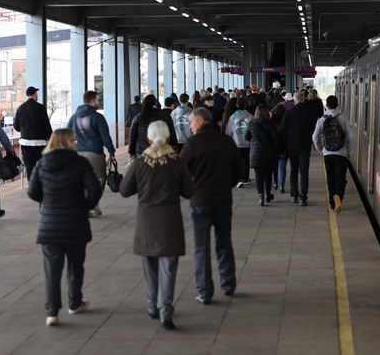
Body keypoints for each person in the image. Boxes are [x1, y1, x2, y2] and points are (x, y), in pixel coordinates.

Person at [120, 121, 193, 331]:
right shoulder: (177, 162)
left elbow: (125, 190)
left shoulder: (141, 162)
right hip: (170, 221)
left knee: (149, 267)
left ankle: (152, 305)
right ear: (168, 138)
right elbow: (189, 191)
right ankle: (165, 311)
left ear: (150, 139)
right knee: (168, 268)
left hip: (147, 222)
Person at [27, 129, 102, 326]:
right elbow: (95, 189)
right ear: (68, 142)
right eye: (74, 139)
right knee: (76, 267)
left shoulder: (41, 163)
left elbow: (32, 191)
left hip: (49, 225)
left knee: (52, 270)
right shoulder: (80, 162)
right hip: (75, 223)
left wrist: (47, 202)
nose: (76, 142)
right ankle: (74, 303)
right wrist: (85, 206)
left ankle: (52, 312)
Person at [180, 108, 242, 304]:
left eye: (191, 122)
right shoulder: (226, 141)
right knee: (224, 242)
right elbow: (239, 172)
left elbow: (181, 172)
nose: (189, 126)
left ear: (200, 121)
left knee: (200, 248)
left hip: (199, 202)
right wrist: (226, 185)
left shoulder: (192, 144)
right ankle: (228, 284)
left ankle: (204, 291)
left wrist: (191, 189)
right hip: (223, 200)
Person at [67, 90, 115, 217]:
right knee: (99, 179)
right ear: (93, 101)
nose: (98, 102)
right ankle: (92, 206)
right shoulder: (98, 117)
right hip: (95, 153)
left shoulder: (74, 117)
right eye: (98, 100)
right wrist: (111, 151)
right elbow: (105, 137)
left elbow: (66, 134)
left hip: (77, 153)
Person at [313, 96, 353, 213]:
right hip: (341, 153)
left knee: (330, 178)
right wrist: (350, 152)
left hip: (327, 153)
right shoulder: (343, 118)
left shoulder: (321, 120)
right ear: (337, 105)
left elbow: (315, 137)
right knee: (341, 178)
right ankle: (338, 197)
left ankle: (332, 202)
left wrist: (320, 150)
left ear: (327, 105)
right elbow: (350, 136)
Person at [280, 91, 316, 206]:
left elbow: (283, 132)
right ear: (304, 100)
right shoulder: (310, 113)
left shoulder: (289, 113)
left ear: (294, 100)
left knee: (293, 171)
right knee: (304, 172)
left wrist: (282, 148)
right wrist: (313, 143)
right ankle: (303, 197)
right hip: (305, 146)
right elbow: (315, 130)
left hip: (292, 147)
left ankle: (294, 195)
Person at [13, 86, 53, 180]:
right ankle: (41, 184)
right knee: (42, 165)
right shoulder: (40, 107)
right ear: (35, 94)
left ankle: (32, 185)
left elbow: (16, 126)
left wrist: (24, 130)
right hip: (40, 143)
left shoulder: (20, 108)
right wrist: (51, 139)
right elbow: (46, 125)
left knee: (30, 165)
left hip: (26, 143)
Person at [245, 105, 280, 206]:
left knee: (259, 176)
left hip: (256, 154)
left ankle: (261, 197)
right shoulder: (270, 124)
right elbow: (276, 139)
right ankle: (268, 195)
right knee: (268, 175)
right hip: (269, 153)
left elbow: (247, 137)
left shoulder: (251, 124)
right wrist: (279, 150)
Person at [225, 99, 253, 187]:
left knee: (238, 161)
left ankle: (238, 178)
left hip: (236, 143)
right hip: (247, 143)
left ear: (237, 105)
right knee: (246, 161)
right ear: (246, 105)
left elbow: (228, 132)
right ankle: (245, 177)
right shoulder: (250, 116)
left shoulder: (232, 117)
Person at [270, 104, 287, 193]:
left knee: (274, 167)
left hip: (273, 148)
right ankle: (281, 186)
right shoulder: (286, 122)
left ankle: (275, 182)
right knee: (282, 168)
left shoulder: (271, 122)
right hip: (283, 148)